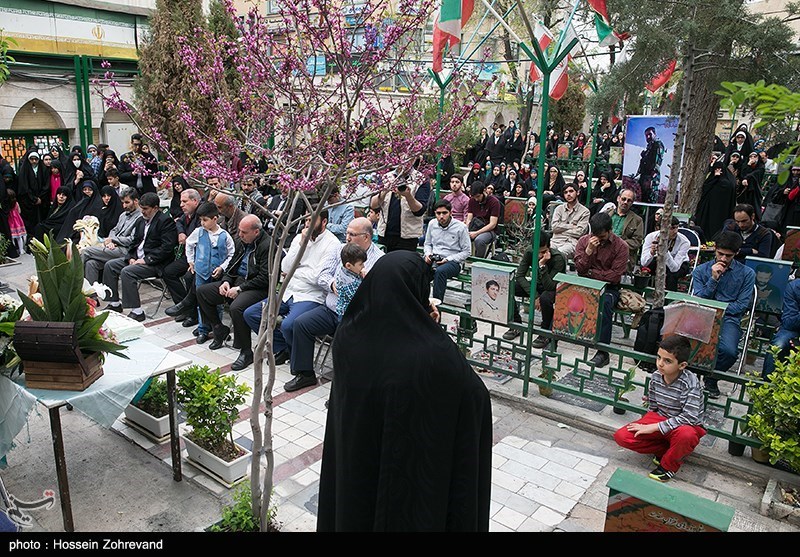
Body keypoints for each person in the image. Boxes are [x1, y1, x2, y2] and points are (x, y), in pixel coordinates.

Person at [316, 251, 492, 532]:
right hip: (413, 484)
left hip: (357, 470)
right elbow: (475, 396)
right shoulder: (434, 353)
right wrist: (429, 327)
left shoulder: (348, 336)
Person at [289, 217, 383, 392]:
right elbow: (322, 275)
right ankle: (305, 374)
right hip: (331, 308)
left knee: (345, 341)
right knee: (300, 324)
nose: (346, 237)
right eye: (346, 232)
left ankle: (343, 387)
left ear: (366, 237)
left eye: (352, 234)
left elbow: (376, 291)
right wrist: (334, 285)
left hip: (355, 314)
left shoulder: (378, 260)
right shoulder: (339, 249)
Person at [242, 209, 341, 376]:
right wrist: (301, 245)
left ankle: (298, 364)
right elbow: (285, 267)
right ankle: (284, 347)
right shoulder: (299, 238)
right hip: (288, 291)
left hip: (311, 295)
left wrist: (294, 272)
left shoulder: (332, 244)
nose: (307, 224)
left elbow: (318, 278)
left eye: (311, 220)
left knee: (289, 325)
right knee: (251, 314)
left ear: (324, 222)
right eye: (306, 220)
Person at [613, 335, 705, 482]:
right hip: (661, 418)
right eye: (659, 358)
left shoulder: (690, 382)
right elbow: (654, 407)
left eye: (667, 361)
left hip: (685, 426)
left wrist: (655, 427)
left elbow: (690, 417)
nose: (660, 364)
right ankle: (667, 450)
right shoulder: (656, 377)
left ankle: (668, 466)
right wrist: (649, 424)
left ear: (682, 365)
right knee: (622, 436)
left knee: (686, 435)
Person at [691, 230, 756, 398]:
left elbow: (741, 306)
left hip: (729, 319)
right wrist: (713, 280)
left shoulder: (747, 274)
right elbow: (698, 300)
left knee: (728, 351)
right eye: (720, 254)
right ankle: (689, 378)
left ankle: (711, 378)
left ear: (736, 253)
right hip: (702, 315)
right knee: (681, 342)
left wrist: (719, 308)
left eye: (728, 256)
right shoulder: (701, 271)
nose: (723, 259)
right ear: (715, 250)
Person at [197, 214, 272, 359]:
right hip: (238, 282)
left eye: (244, 232)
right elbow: (232, 266)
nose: (240, 234)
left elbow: (265, 278)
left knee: (236, 308)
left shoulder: (267, 246)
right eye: (239, 230)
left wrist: (240, 289)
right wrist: (226, 281)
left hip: (258, 288)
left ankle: (246, 351)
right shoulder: (241, 241)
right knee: (202, 292)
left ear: (256, 232)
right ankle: (219, 329)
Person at [102, 192, 179, 322]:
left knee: (127, 272)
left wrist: (145, 260)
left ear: (155, 208)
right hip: (137, 258)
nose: (142, 212)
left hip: (154, 263)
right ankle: (114, 302)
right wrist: (131, 257)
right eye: (141, 208)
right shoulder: (140, 222)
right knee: (110, 265)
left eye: (145, 209)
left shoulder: (165, 222)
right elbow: (134, 243)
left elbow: (167, 248)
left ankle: (137, 311)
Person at [574, 212, 629, 367]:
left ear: (610, 230)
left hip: (608, 288)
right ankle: (555, 338)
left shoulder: (621, 247)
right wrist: (588, 252)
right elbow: (579, 269)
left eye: (602, 237)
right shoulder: (584, 241)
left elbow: (614, 276)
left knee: (604, 303)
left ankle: (603, 352)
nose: (598, 239)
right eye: (595, 235)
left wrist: (591, 273)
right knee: (562, 295)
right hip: (585, 284)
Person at [185, 202, 236, 344]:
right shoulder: (198, 232)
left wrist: (222, 267)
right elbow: (189, 244)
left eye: (205, 220)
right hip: (201, 273)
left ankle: (216, 329)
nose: (202, 223)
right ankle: (203, 329)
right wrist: (191, 261)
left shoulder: (224, 236)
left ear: (215, 218)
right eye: (200, 220)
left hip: (216, 274)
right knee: (200, 302)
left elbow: (232, 254)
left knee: (216, 304)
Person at [504, 230, 566, 345]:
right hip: (536, 286)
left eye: (543, 252)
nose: (539, 255)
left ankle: (544, 331)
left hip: (552, 289)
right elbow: (520, 276)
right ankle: (516, 324)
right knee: (507, 287)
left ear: (549, 246)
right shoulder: (530, 252)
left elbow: (550, 286)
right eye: (537, 252)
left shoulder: (558, 258)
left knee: (545, 298)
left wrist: (542, 265)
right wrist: (534, 296)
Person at [81, 188, 143, 285]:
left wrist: (114, 240)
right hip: (113, 248)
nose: (124, 206)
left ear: (136, 201)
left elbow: (133, 239)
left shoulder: (140, 217)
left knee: (86, 251)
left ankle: (73, 283)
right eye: (123, 203)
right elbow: (114, 230)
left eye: (127, 202)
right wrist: (110, 242)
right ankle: (91, 295)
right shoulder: (123, 215)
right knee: (91, 263)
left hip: (126, 251)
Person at [370, 170, 429, 252]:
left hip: (407, 237)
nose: (404, 159)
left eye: (409, 157)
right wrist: (385, 190)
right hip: (384, 234)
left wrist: (408, 196)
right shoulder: (386, 177)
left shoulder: (421, 179)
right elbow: (373, 205)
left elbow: (419, 211)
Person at [424, 199, 471, 302]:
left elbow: (467, 251)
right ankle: (421, 302)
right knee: (419, 268)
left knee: (440, 272)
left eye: (444, 213)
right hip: (435, 257)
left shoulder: (461, 227)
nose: (441, 216)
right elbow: (427, 244)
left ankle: (437, 305)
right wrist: (428, 254)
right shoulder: (432, 224)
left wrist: (448, 259)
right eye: (438, 213)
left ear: (450, 212)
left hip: (453, 261)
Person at [640, 216, 691, 292]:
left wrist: (665, 251)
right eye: (672, 228)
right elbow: (643, 263)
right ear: (660, 228)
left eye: (677, 228)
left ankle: (669, 299)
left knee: (672, 275)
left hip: (679, 264)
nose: (676, 231)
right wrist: (651, 253)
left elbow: (674, 268)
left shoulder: (684, 242)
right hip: (658, 259)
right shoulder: (651, 237)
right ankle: (641, 294)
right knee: (644, 271)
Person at [762, 278, 800, 379]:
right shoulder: (794, 287)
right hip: (794, 329)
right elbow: (789, 321)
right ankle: (766, 387)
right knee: (779, 344)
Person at [694, 159, 737, 242]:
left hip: (722, 209)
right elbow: (706, 187)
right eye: (716, 168)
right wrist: (715, 177)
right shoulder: (712, 178)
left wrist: (718, 178)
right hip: (710, 208)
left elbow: (728, 188)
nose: (717, 171)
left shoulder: (728, 181)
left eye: (719, 169)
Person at [549, 183, 590, 260]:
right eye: (565, 192)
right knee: (544, 251)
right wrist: (571, 226)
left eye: (571, 191)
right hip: (555, 241)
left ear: (577, 192)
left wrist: (560, 229)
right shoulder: (559, 209)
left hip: (571, 243)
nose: (568, 194)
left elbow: (579, 232)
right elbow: (554, 228)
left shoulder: (585, 211)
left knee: (559, 253)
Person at [464, 181, 500, 258]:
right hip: (475, 226)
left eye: (478, 196)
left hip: (489, 230)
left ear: (484, 191)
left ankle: (478, 260)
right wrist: (467, 227)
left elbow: (492, 224)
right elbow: (469, 216)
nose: (476, 199)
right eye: (474, 197)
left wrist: (476, 233)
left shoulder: (494, 202)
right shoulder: (472, 200)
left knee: (479, 240)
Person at [611, 188, 644, 272]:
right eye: (623, 199)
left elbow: (637, 241)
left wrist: (618, 244)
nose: (625, 202)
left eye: (629, 200)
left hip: (623, 255)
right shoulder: (607, 214)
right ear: (618, 198)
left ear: (632, 203)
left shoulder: (637, 220)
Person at [334, 242, 367, 321]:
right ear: (348, 265)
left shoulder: (347, 270)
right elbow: (358, 299)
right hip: (347, 315)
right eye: (361, 264)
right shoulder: (348, 282)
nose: (363, 266)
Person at [636, 126, 665, 204]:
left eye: (650, 134)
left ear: (654, 134)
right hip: (644, 174)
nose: (648, 137)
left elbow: (657, 160)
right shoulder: (649, 145)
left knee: (651, 197)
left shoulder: (657, 144)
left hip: (651, 175)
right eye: (646, 135)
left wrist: (654, 173)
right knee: (644, 197)